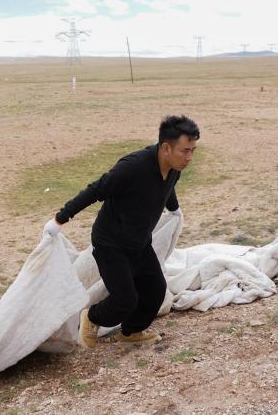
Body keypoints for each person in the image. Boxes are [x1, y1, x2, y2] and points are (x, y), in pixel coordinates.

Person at [42, 115, 200, 349]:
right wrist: (60, 219)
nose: (189, 158)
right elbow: (95, 190)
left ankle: (130, 332)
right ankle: (92, 317)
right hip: (111, 243)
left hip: (140, 243)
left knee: (156, 292)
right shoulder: (133, 167)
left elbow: (167, 187)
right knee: (125, 300)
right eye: (185, 151)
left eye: (192, 151)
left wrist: (174, 209)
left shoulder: (174, 168)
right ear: (166, 148)